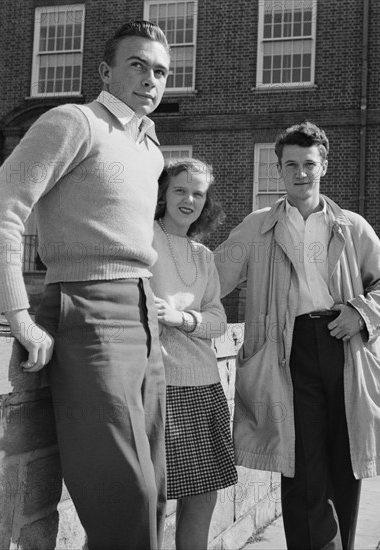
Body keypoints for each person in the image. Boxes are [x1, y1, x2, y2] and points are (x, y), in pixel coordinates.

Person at [0, 21, 171, 550]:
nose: (150, 78)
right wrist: (18, 313)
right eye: (137, 65)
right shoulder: (74, 122)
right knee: (123, 493)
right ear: (106, 71)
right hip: (88, 311)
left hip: (145, 317)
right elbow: (1, 203)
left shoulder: (150, 150)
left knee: (155, 488)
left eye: (160, 70)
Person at [214, 121, 380, 550]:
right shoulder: (257, 226)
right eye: (291, 166)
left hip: (346, 348)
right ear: (279, 171)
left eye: (309, 164)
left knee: (346, 461)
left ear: (324, 167)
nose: (300, 173)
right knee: (301, 465)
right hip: (288, 352)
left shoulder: (352, 226)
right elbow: (211, 278)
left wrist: (360, 313)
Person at [149, 158, 237, 550]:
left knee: (203, 495)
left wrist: (182, 318)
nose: (189, 199)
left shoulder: (203, 255)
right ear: (163, 194)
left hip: (204, 386)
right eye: (180, 190)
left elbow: (218, 321)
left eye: (198, 194)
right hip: (159, 385)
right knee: (151, 497)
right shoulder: (142, 238)